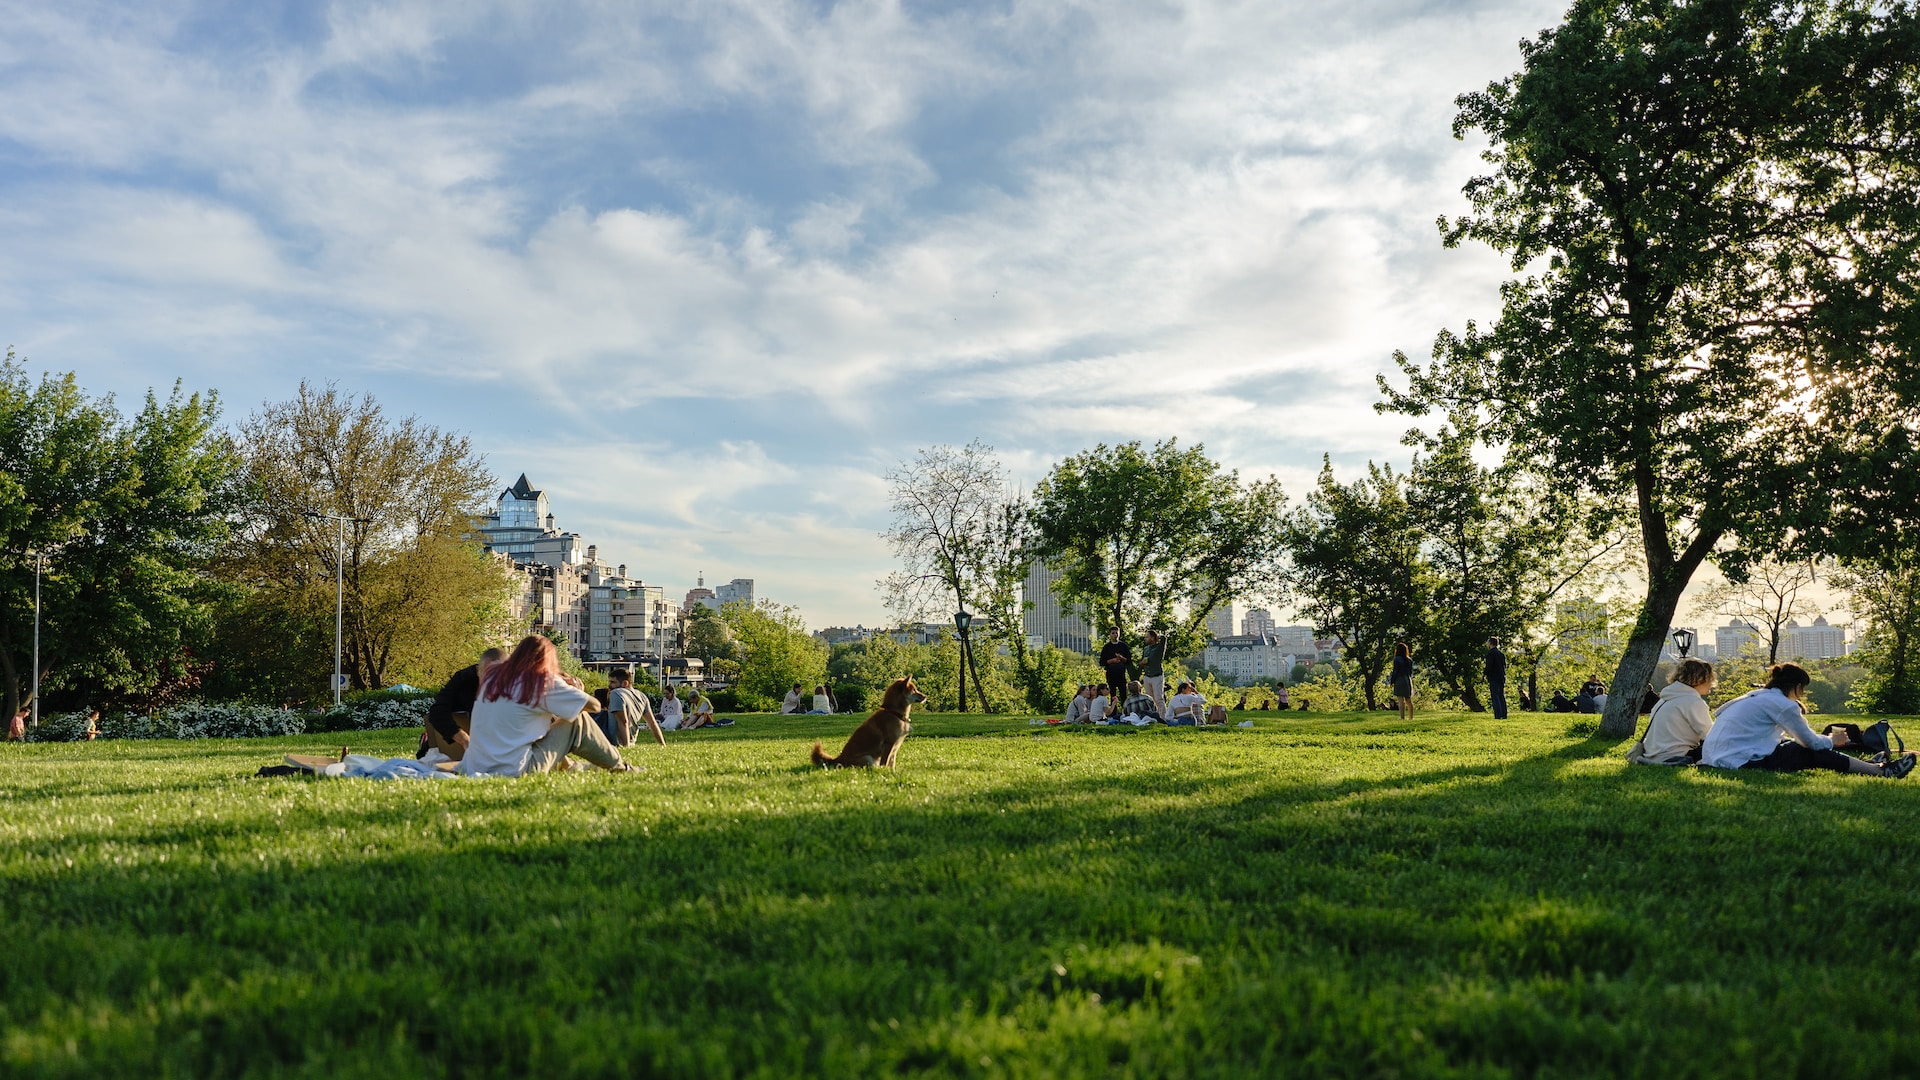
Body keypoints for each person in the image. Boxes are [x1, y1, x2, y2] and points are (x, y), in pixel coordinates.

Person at [458, 635, 635, 777]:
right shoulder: (539, 680)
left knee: (543, 720)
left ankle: (569, 766)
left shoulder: (493, 678)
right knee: (576, 720)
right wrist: (571, 688)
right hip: (516, 771)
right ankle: (620, 767)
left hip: (474, 765)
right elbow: (595, 705)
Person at [1701, 662, 1915, 777]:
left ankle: (1867, 765)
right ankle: (1881, 770)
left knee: (1791, 745)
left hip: (1717, 757)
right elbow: (1810, 743)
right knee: (1809, 751)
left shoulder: (1754, 697)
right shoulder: (1782, 704)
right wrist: (1833, 741)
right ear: (1797, 687)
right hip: (1739, 762)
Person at [417, 646, 504, 761]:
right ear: (478, 670)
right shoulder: (463, 680)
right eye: (488, 675)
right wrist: (463, 739)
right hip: (458, 748)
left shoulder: (517, 684)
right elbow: (437, 712)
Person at [1629, 658, 1715, 765]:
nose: (1712, 683)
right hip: (1676, 755)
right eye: (1710, 679)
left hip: (1653, 756)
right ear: (1699, 679)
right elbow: (1711, 736)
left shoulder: (1664, 699)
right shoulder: (1693, 702)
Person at [608, 668, 664, 748]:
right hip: (632, 743)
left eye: (613, 682)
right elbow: (652, 723)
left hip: (615, 744)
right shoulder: (642, 696)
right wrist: (662, 744)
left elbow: (623, 722)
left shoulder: (616, 693)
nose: (609, 685)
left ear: (625, 683)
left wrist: (625, 747)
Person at [1099, 628, 1131, 703]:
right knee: (1112, 694)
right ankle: (1113, 712)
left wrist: (1121, 658)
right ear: (1110, 634)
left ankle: (1125, 711)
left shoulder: (1123, 646)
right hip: (1111, 674)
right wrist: (1111, 661)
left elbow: (1129, 660)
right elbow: (1102, 662)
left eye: (1116, 633)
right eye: (1113, 633)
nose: (1115, 635)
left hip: (1121, 674)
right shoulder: (1107, 647)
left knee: (1123, 694)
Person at [1141, 629, 1167, 714]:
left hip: (1156, 676)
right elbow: (1143, 660)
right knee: (1150, 699)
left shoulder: (1158, 647)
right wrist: (1142, 663)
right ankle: (1154, 715)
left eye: (1147, 637)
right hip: (1147, 676)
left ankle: (1163, 717)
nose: (1145, 639)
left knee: (1158, 698)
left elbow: (1164, 639)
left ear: (1152, 638)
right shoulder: (1146, 649)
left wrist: (1157, 637)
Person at [1485, 637, 1508, 720]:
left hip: (1493, 676)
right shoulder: (1501, 654)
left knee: (1495, 696)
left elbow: (1489, 666)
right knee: (1501, 696)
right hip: (1501, 676)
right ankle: (1504, 714)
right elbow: (1504, 665)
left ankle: (1498, 715)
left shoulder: (1491, 653)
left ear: (1490, 643)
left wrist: (1484, 674)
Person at [1390, 642, 1414, 722]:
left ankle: (1402, 717)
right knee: (1408, 700)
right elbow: (1410, 672)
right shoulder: (1409, 660)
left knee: (1400, 700)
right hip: (1407, 679)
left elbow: (1395, 671)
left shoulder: (1397, 659)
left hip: (1399, 679)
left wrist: (1392, 681)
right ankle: (1411, 717)